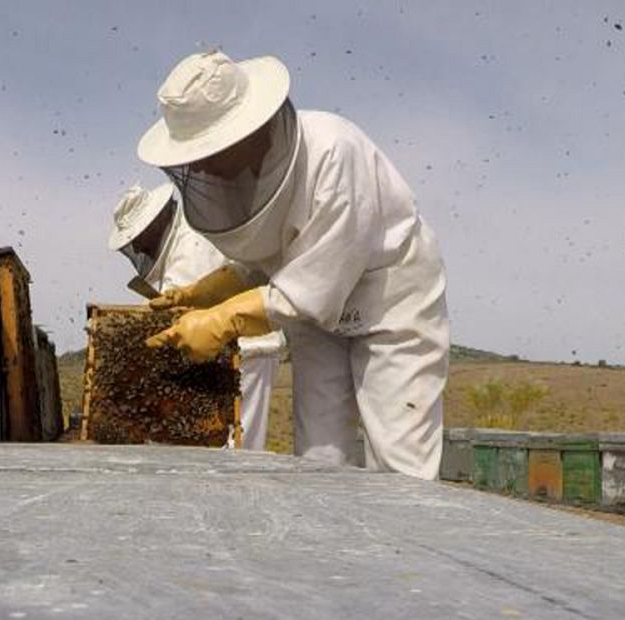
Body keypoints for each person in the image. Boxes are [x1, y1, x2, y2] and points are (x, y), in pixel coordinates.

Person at [140, 50, 450, 478]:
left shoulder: (333, 155)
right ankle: (334, 546)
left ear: (243, 131)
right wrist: (207, 291)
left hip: (389, 300)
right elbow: (271, 257)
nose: (201, 166)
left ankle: (407, 545)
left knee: (400, 461)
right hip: (315, 313)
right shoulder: (243, 177)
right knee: (319, 458)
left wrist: (224, 319)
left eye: (207, 151)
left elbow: (312, 289)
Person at [107, 183, 284, 451]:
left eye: (138, 239)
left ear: (153, 225)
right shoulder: (184, 238)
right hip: (230, 352)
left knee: (240, 448)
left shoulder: (190, 248)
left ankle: (241, 492)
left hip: (246, 354)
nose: (139, 249)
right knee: (227, 445)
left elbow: (178, 326)